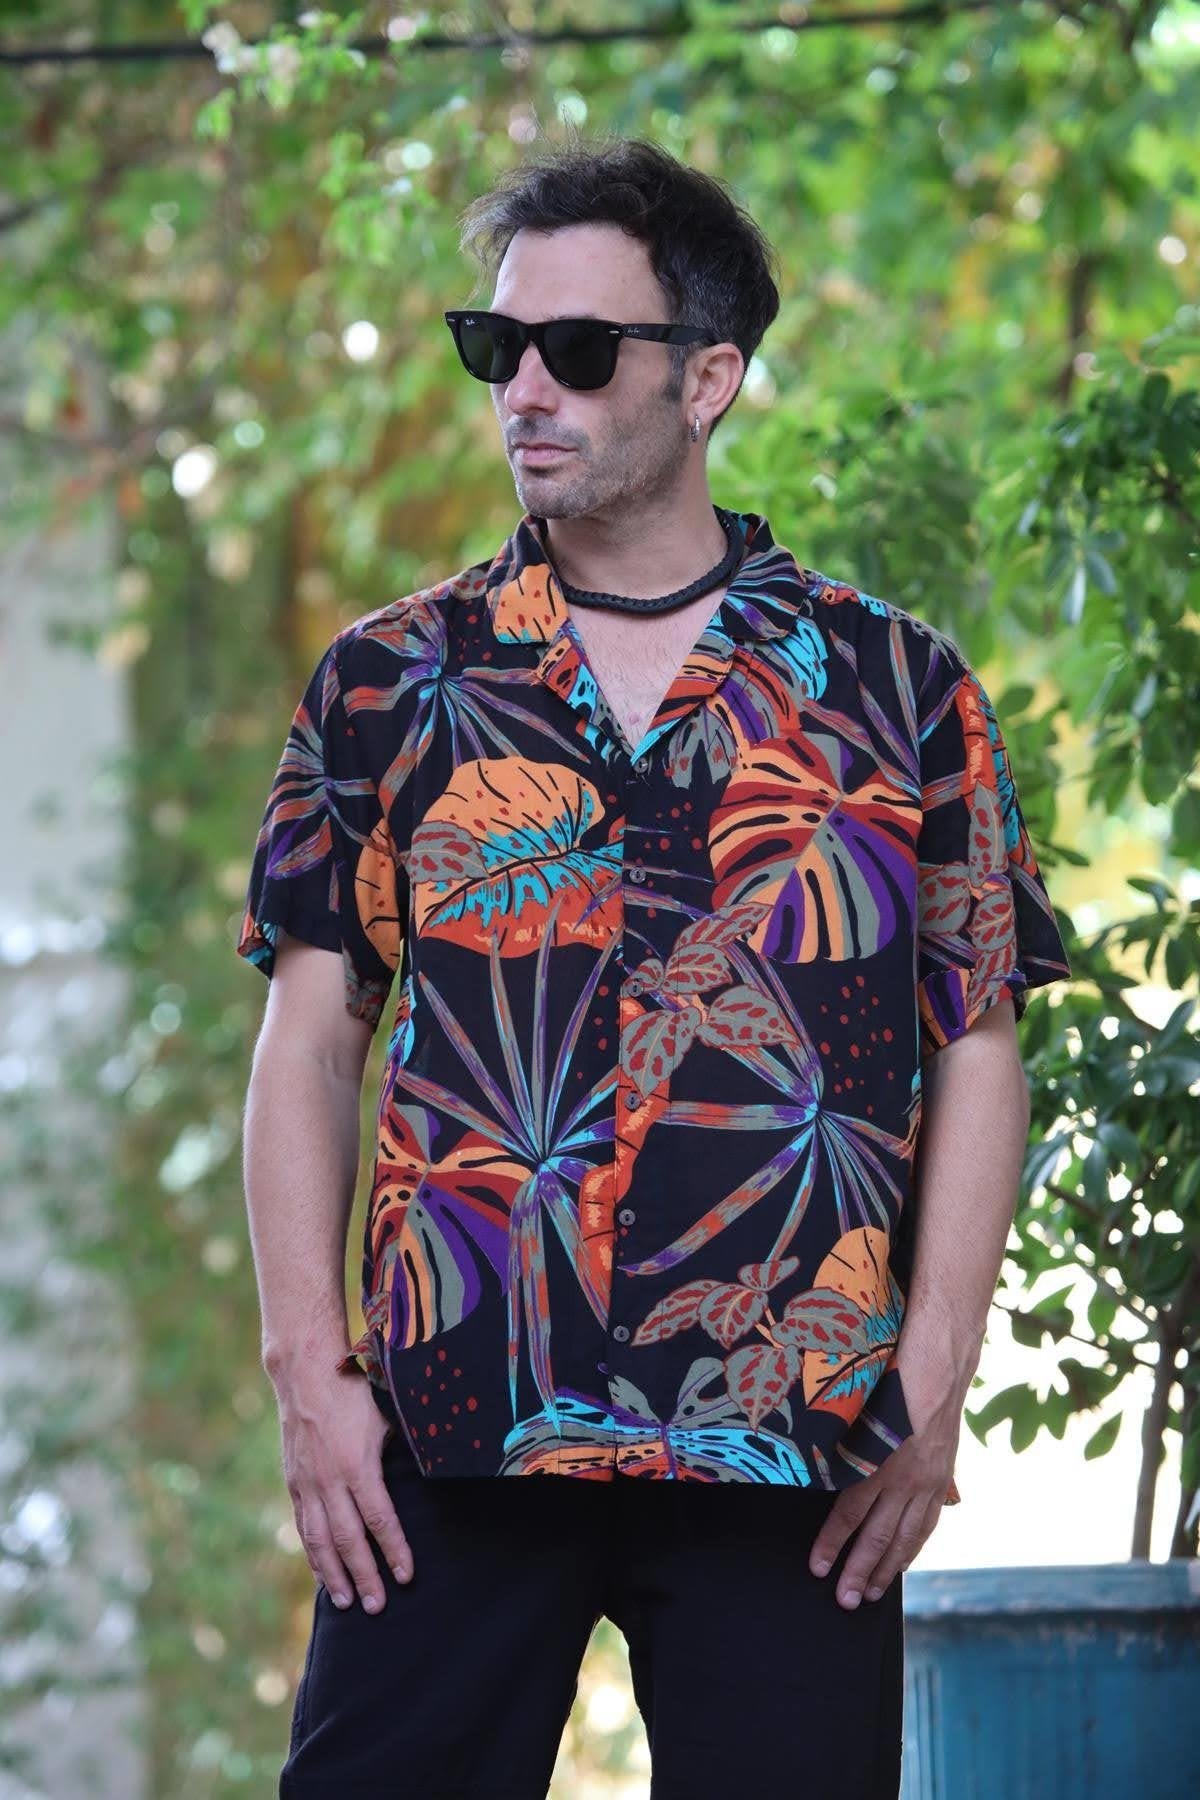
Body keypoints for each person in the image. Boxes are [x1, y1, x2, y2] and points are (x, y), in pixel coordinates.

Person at [236, 132, 1072, 1799]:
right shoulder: (391, 682)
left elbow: (977, 1039)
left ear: (708, 379)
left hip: (796, 1443)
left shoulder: (895, 687)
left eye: (575, 347)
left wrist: (934, 1375)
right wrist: (307, 1372)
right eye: (498, 345)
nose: (524, 389)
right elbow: (312, 1041)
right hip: (452, 1427)